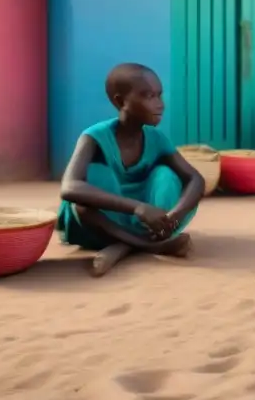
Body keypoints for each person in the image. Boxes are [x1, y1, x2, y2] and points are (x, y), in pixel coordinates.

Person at [58, 63, 205, 277]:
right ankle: (148, 246)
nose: (159, 104)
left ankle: (126, 244)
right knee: (95, 179)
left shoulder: (157, 139)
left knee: (166, 176)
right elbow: (69, 187)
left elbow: (195, 179)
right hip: (98, 225)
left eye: (159, 95)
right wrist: (138, 208)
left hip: (150, 225)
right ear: (120, 101)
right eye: (148, 96)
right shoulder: (94, 136)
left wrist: (172, 217)